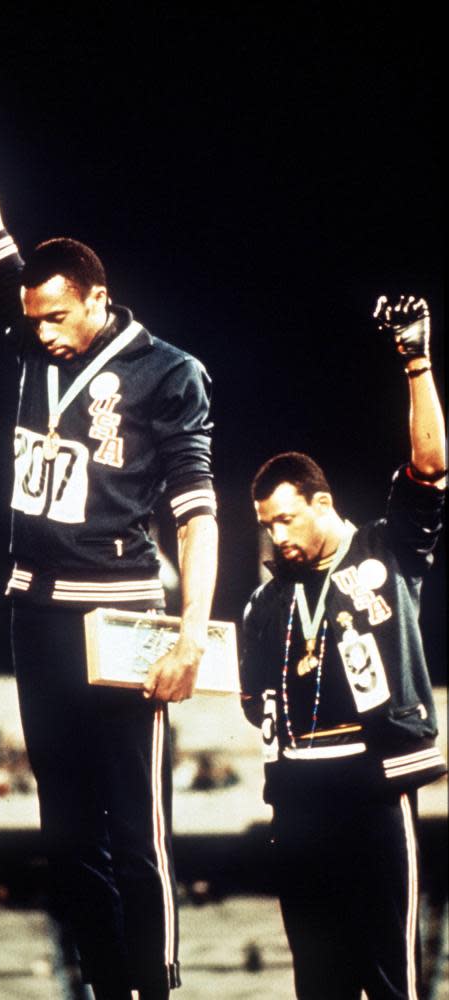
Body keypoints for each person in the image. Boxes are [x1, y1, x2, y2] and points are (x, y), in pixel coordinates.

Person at [0, 32, 218, 999]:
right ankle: (101, 987)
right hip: (34, 608)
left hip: (124, 611)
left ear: (97, 301)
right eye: (30, 318)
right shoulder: (31, 330)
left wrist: (193, 635)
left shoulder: (170, 373)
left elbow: (197, 513)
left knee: (137, 827)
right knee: (66, 829)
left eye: (54, 319)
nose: (35, 333)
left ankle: (155, 987)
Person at [240, 295, 446, 999]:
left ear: (321, 504)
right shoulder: (265, 601)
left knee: (390, 975)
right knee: (317, 982)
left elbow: (428, 468)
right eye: (267, 526)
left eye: (287, 519)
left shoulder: (385, 550)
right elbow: (248, 701)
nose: (277, 537)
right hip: (295, 793)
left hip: (370, 782)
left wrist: (414, 359)